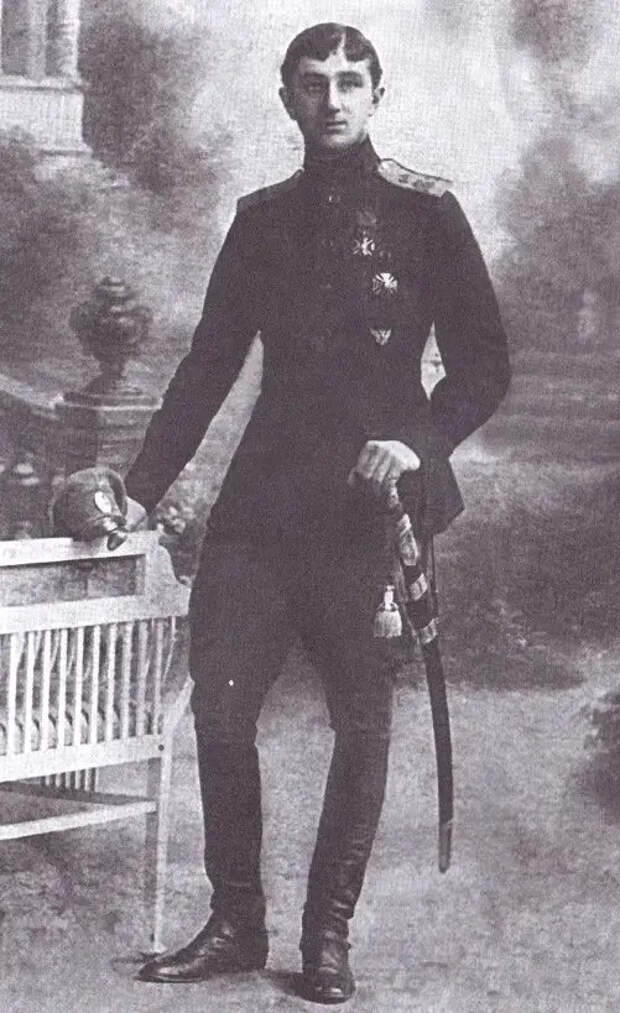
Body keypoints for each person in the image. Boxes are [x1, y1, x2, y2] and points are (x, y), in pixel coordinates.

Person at [126, 22, 510, 1004]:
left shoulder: (425, 212)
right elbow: (208, 365)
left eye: (348, 81)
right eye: (312, 83)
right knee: (220, 709)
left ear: (377, 93)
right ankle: (235, 922)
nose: (331, 99)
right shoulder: (260, 221)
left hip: (368, 512)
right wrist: (136, 490)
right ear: (287, 98)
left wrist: (417, 441)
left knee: (360, 721)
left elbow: (484, 364)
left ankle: (326, 935)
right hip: (261, 507)